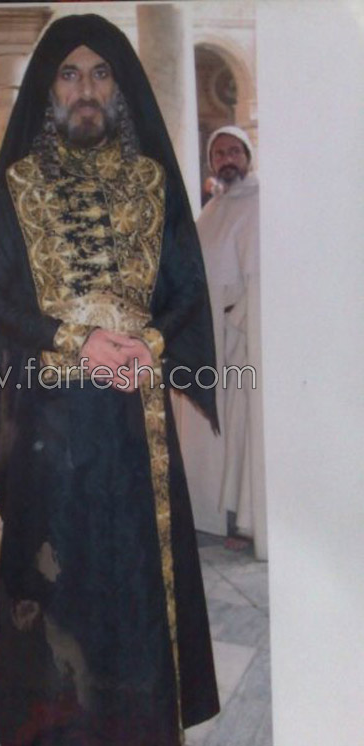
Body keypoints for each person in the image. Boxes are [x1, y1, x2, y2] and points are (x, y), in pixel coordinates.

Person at [0, 15, 220, 746]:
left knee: (133, 572)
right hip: (50, 421)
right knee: (58, 576)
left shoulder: (152, 183)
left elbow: (187, 288)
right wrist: (76, 341)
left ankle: (137, 724)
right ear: (50, 91)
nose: (87, 89)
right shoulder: (21, 185)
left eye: (101, 73)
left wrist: (150, 340)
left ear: (120, 88)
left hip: (135, 420)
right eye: (71, 74)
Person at [178, 125, 267, 559]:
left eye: (234, 151)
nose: (226, 159)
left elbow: (260, 278)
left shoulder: (258, 203)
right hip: (205, 334)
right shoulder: (213, 207)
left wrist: (236, 317)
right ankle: (205, 513)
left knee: (237, 426)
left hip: (235, 338)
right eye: (219, 153)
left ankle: (238, 520)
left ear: (247, 156)